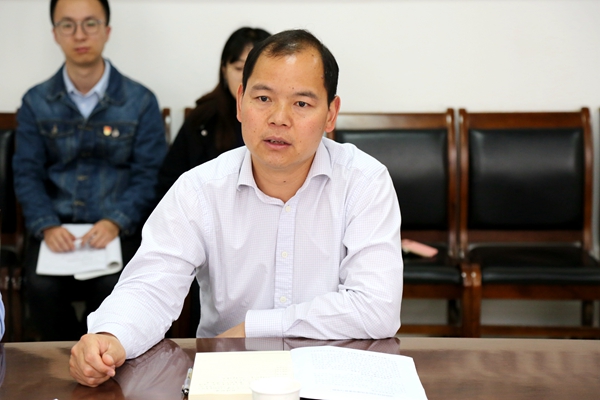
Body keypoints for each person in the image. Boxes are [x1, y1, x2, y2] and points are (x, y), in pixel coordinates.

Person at [69, 29, 403, 387]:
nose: (279, 118)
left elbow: (376, 307)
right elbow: (152, 285)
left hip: (335, 376)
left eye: (302, 104)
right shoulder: (200, 189)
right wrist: (111, 336)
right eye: (263, 98)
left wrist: (256, 327)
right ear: (241, 102)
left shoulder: (364, 182)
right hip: (227, 377)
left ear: (331, 114)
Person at [12, 0, 167, 341]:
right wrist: (46, 224)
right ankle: (67, 360)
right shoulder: (36, 101)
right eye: (68, 25)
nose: (80, 35)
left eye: (90, 24)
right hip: (55, 230)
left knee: (116, 288)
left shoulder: (141, 101)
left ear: (107, 31)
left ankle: (99, 358)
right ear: (55, 33)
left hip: (117, 229)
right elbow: (26, 173)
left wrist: (116, 221)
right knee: (40, 288)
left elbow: (149, 174)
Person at [155, 27, 271, 201]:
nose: (247, 78)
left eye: (255, 69)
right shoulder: (202, 120)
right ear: (224, 70)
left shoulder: (284, 120)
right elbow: (170, 185)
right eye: (239, 68)